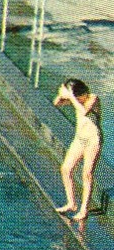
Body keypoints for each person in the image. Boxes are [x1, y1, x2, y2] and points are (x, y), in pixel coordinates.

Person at [53, 78, 102, 221]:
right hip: (79, 140)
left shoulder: (93, 98)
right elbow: (57, 103)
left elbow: (84, 111)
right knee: (66, 169)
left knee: (86, 174)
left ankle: (83, 210)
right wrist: (62, 94)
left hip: (93, 140)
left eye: (76, 97)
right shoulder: (76, 99)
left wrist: (71, 97)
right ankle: (71, 203)